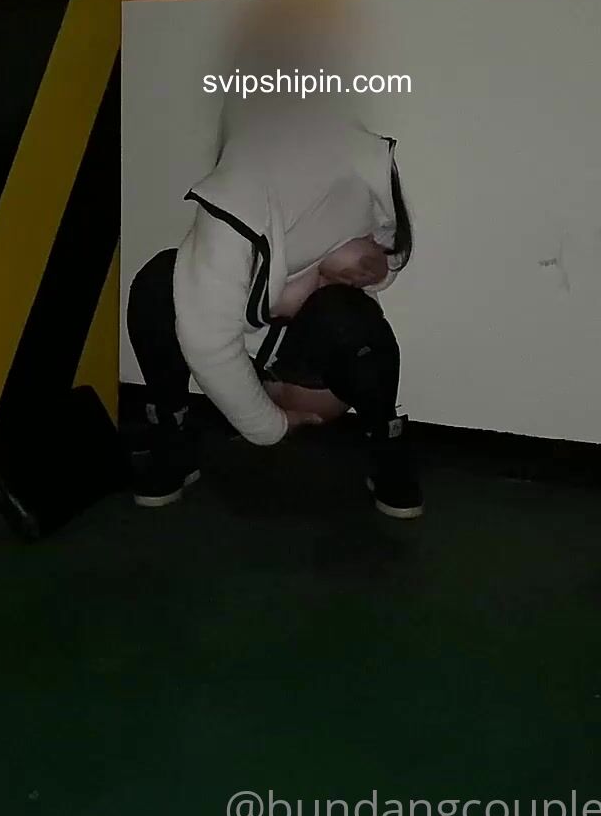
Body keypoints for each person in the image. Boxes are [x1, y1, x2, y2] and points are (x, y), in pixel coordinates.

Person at [126, 103, 423, 519]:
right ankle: (171, 432)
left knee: (348, 315)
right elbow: (208, 341)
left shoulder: (358, 156)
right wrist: (270, 426)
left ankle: (386, 445)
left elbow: (389, 256)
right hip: (239, 371)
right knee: (159, 282)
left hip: (313, 376)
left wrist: (358, 263)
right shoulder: (234, 197)